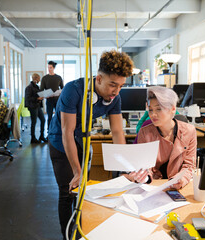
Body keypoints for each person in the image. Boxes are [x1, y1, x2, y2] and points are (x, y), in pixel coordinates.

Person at [48, 50, 134, 239]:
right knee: (68, 190)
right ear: (98, 79)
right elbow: (67, 132)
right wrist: (77, 171)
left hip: (83, 140)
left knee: (84, 191)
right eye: (113, 85)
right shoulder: (74, 90)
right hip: (60, 141)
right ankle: (67, 235)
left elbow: (118, 132)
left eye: (121, 86)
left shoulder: (115, 98)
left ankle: (81, 232)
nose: (116, 91)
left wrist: (124, 167)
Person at [128, 86, 197, 189]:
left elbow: (189, 166)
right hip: (153, 186)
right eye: (150, 110)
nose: (153, 114)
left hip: (179, 186)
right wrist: (145, 177)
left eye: (158, 109)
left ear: (173, 109)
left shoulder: (189, 131)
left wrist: (180, 180)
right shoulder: (144, 133)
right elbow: (145, 166)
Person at [40, 61, 64, 131]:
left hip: (57, 100)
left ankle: (58, 130)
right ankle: (49, 131)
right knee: (49, 116)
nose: (49, 69)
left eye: (50, 67)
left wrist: (59, 93)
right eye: (48, 67)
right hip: (49, 100)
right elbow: (41, 90)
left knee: (58, 116)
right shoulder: (44, 78)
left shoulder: (58, 77)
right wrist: (45, 95)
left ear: (53, 68)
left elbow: (63, 88)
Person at [25, 73, 47, 143]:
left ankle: (42, 136)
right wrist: (37, 98)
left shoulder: (36, 87)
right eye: (39, 79)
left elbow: (39, 94)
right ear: (36, 79)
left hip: (37, 106)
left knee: (43, 120)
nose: (39, 80)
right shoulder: (29, 87)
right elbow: (28, 98)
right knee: (34, 122)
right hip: (32, 106)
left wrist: (42, 97)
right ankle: (33, 138)